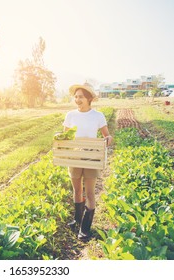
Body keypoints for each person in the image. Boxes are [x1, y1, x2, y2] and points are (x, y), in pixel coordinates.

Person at [63, 83, 113, 241]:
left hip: (92, 157)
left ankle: (85, 228)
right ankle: (77, 220)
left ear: (89, 98)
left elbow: (107, 135)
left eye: (81, 97)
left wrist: (108, 139)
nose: (77, 99)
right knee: (77, 191)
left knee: (90, 193)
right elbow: (66, 137)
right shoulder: (70, 115)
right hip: (74, 157)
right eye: (76, 96)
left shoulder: (98, 116)